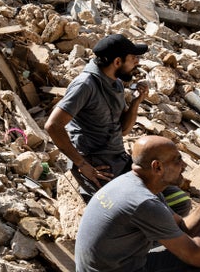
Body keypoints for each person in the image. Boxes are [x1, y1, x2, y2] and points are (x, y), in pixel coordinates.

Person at [44, 34, 191, 214]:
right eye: (133, 58)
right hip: (99, 166)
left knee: (180, 202)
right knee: (141, 214)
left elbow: (123, 130)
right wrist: (82, 165)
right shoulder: (85, 85)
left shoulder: (116, 84)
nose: (137, 62)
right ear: (117, 62)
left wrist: (136, 102)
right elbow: (53, 126)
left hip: (119, 159)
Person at [75, 136, 200, 272]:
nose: (184, 165)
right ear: (157, 167)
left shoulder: (135, 184)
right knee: (199, 266)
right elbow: (198, 258)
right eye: (177, 160)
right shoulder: (143, 203)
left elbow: (182, 227)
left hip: (113, 265)